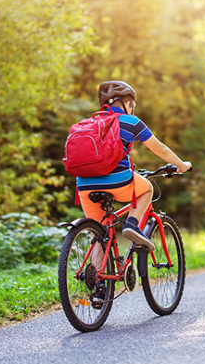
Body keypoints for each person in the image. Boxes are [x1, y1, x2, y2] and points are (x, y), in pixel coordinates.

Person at [77, 80, 191, 252]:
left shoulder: (89, 123)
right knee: (147, 189)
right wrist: (182, 165)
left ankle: (97, 277)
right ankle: (131, 224)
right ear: (127, 103)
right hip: (118, 181)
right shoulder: (130, 122)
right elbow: (161, 149)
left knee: (97, 235)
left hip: (84, 184)